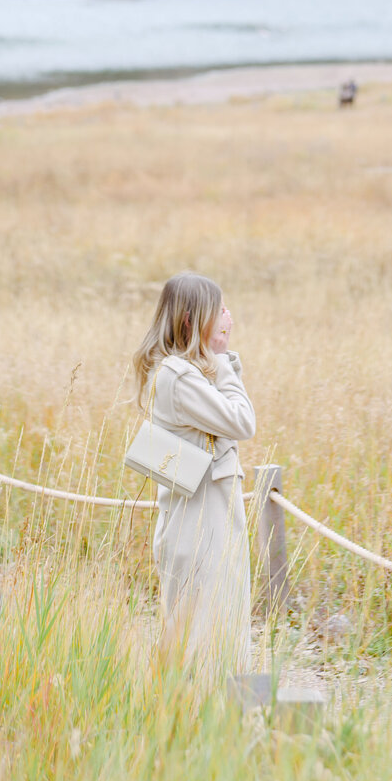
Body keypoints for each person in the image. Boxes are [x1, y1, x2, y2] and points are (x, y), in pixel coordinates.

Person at [133, 272, 256, 680]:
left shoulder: (173, 371)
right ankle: (217, 728)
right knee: (209, 641)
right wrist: (221, 361)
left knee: (196, 636)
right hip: (204, 530)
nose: (227, 316)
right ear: (191, 319)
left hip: (197, 523)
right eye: (217, 309)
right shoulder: (179, 377)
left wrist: (221, 361)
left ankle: (185, 723)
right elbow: (242, 421)